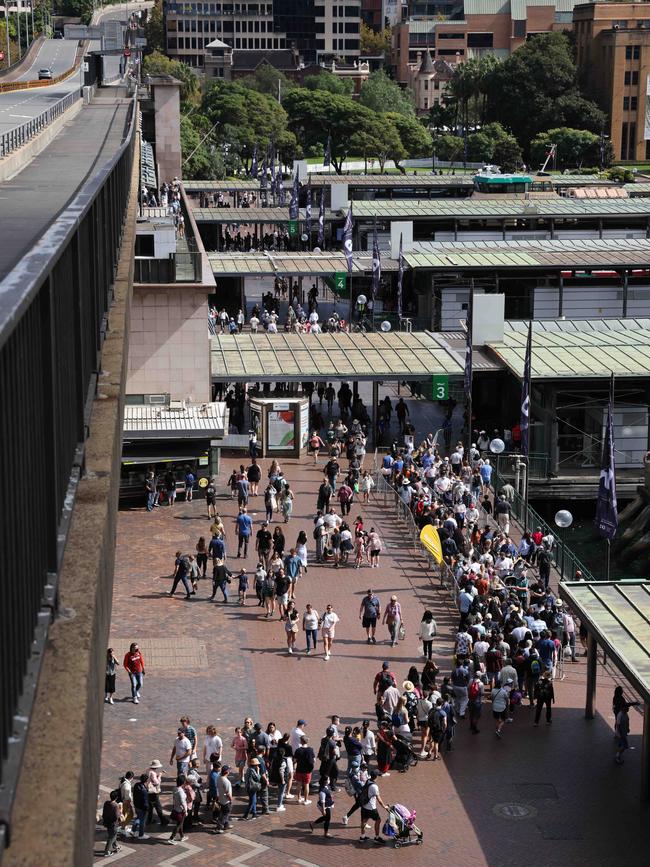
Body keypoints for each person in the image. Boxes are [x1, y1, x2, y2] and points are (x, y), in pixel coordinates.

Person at [358, 770, 387, 845]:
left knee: (364, 821)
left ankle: (362, 836)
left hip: (364, 806)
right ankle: (377, 838)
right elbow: (379, 799)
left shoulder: (367, 781)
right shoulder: (374, 786)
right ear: (376, 777)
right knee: (378, 820)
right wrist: (384, 806)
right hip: (371, 808)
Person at [166, 775, 188, 844]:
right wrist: (186, 810)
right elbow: (183, 802)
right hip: (181, 810)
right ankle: (171, 838)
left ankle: (182, 836)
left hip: (176, 808)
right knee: (179, 824)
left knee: (180, 823)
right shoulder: (181, 792)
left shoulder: (175, 788)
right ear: (183, 782)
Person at [293, 735, 315, 804]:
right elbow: (314, 760)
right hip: (307, 771)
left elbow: (295, 760)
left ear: (301, 741)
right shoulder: (310, 750)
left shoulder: (298, 750)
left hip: (299, 769)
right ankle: (306, 800)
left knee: (298, 784)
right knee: (306, 785)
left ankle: (299, 798)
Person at [101, 790, 122, 857]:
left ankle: (115, 847)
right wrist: (120, 811)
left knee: (113, 834)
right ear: (116, 798)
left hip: (107, 822)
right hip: (113, 824)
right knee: (111, 837)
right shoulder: (115, 805)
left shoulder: (106, 803)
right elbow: (117, 816)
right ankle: (106, 851)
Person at [146, 759, 167, 826]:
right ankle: (163, 820)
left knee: (150, 807)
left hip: (148, 791)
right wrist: (160, 776)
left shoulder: (148, 770)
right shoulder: (153, 773)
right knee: (158, 806)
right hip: (153, 792)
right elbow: (157, 782)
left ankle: (149, 820)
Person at [214, 765, 233, 832]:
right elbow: (228, 793)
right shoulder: (226, 782)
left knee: (224, 812)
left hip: (221, 799)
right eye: (229, 770)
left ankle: (226, 825)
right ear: (227, 772)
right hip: (226, 800)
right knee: (225, 814)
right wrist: (230, 799)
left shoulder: (219, 778)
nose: (230, 771)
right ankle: (219, 827)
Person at [131, 774, 150, 840]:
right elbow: (145, 802)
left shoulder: (137, 785)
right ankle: (141, 835)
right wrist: (147, 808)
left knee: (138, 818)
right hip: (142, 808)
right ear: (146, 780)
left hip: (136, 806)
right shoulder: (144, 791)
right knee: (142, 821)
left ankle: (133, 830)